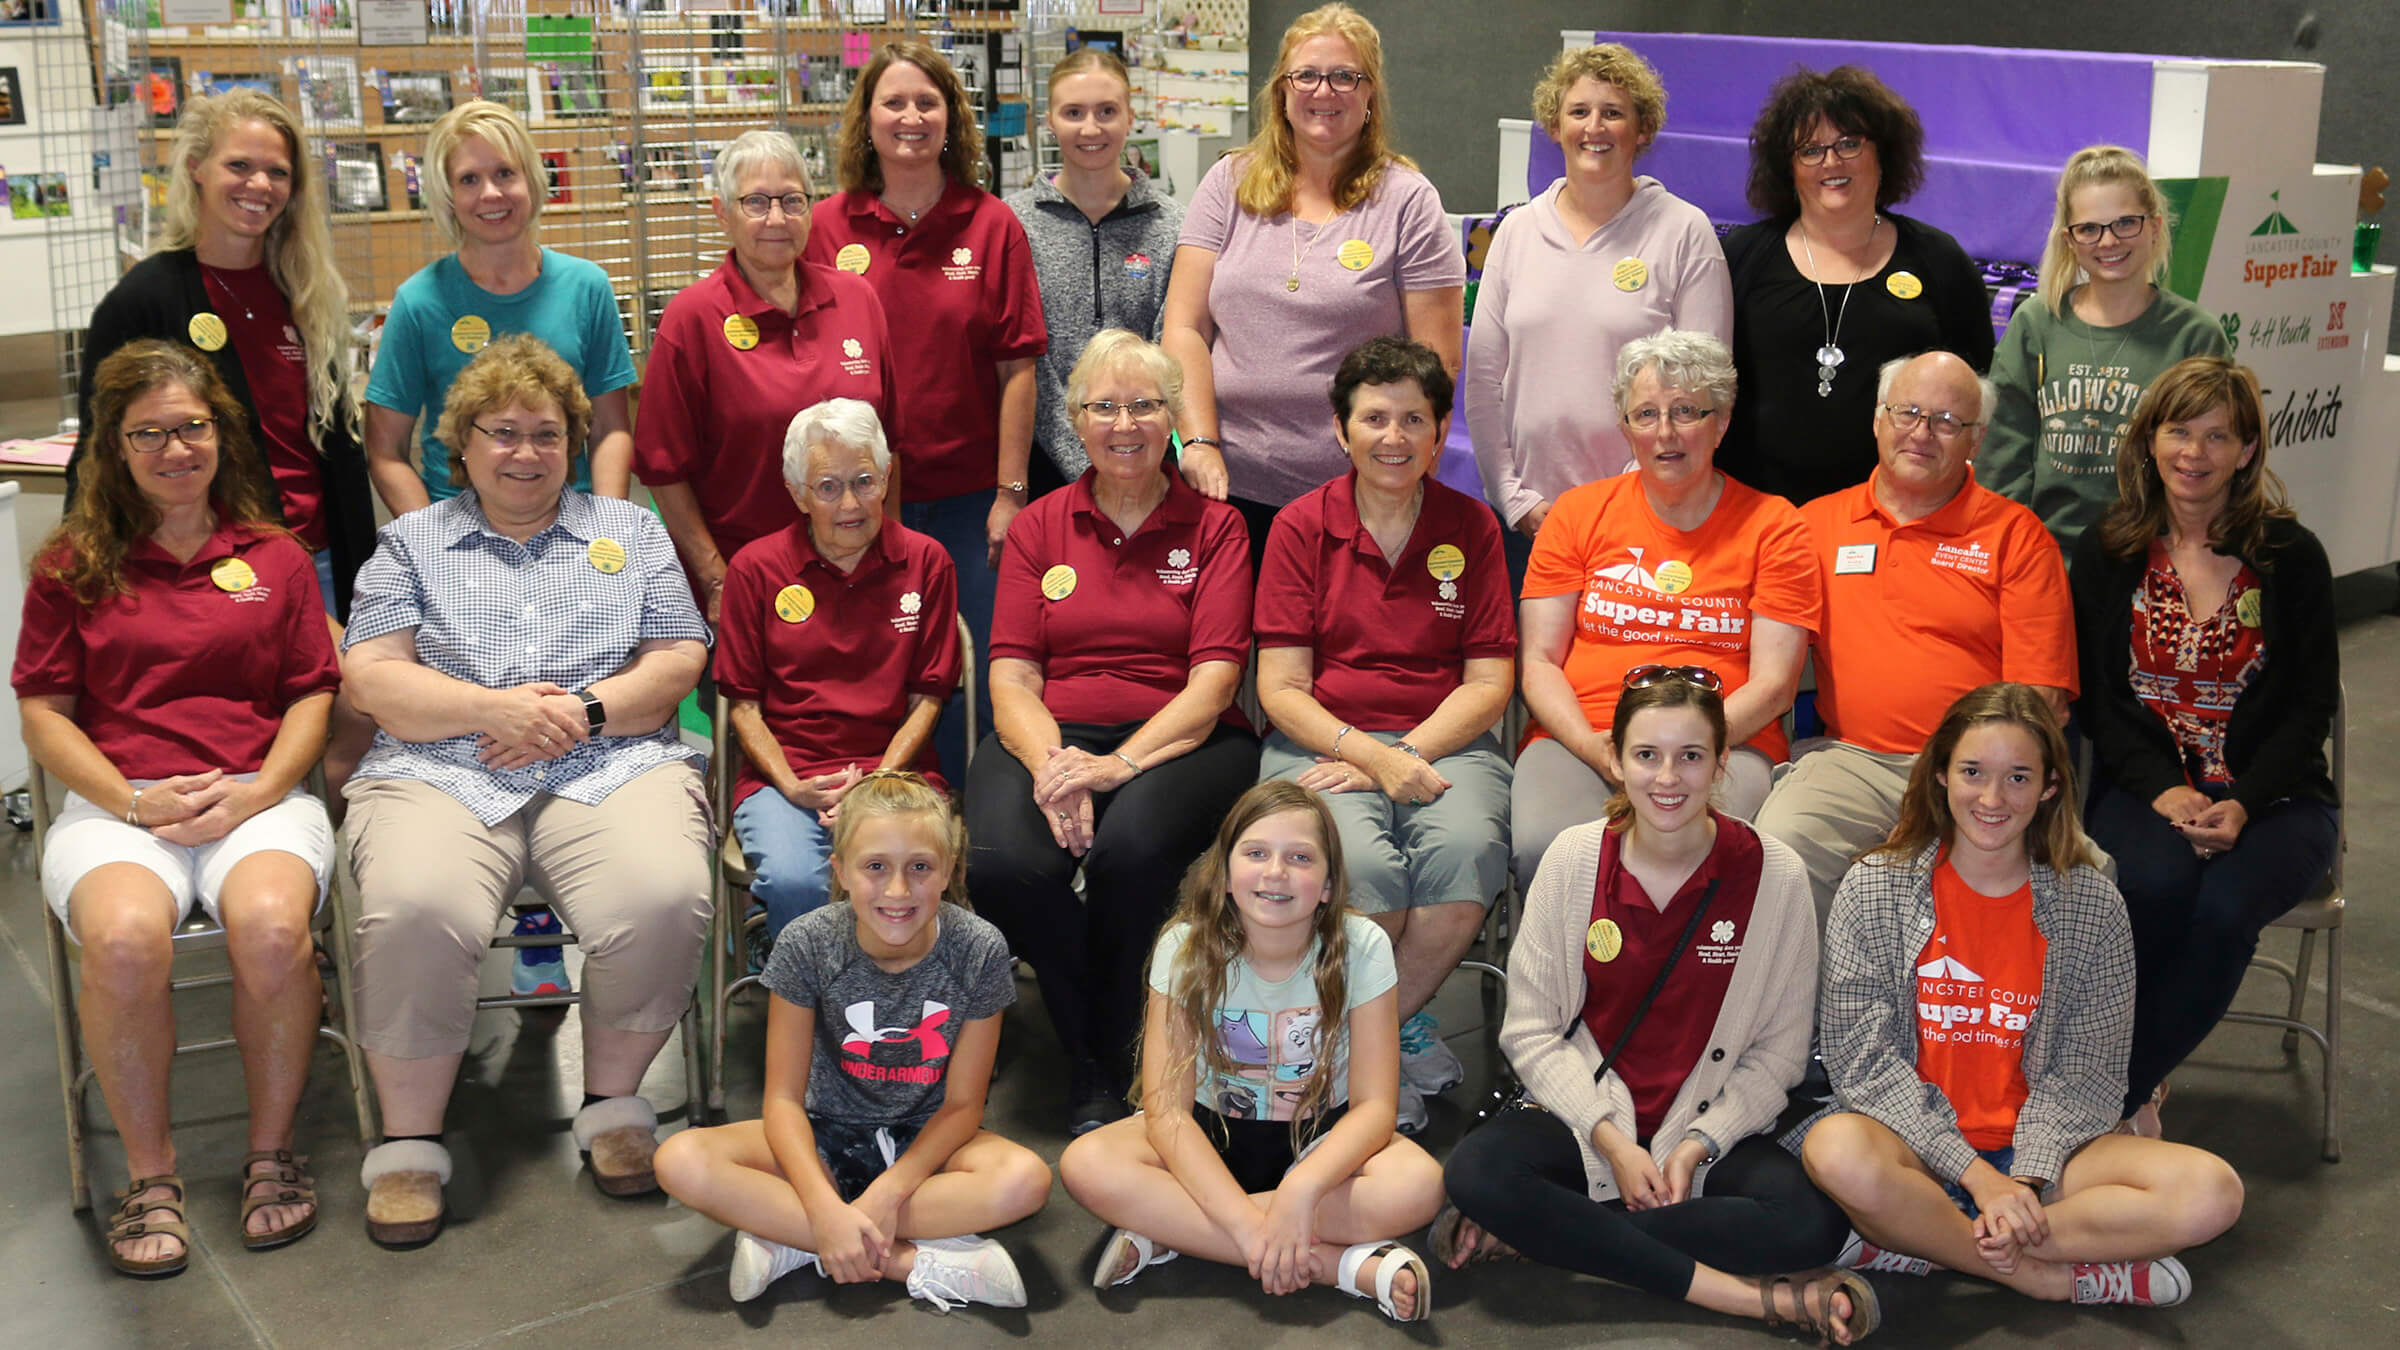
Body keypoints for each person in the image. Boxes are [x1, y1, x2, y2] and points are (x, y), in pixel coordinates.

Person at [340, 336, 713, 1245]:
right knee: (411, 907)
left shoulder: (631, 533)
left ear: (575, 444)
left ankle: (614, 1103)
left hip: (609, 762)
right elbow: (372, 677)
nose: (525, 452)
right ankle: (409, 1144)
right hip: (444, 769)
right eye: (501, 431)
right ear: (459, 445)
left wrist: (584, 712)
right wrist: (489, 709)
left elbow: (678, 657)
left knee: (665, 895)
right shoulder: (410, 544)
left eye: (548, 433)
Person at [16, 340, 340, 1276]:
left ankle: (273, 1155)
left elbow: (312, 690)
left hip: (257, 793)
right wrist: (133, 801)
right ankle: (151, 1177)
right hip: (120, 803)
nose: (174, 449)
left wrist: (266, 789)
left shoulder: (274, 557)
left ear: (219, 434)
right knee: (122, 942)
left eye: (190, 427)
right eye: (148, 433)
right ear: (114, 448)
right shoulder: (75, 564)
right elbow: (43, 710)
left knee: (275, 930)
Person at [1438, 675, 1868, 1343]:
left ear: (1723, 762)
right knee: (1474, 1171)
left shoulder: (1774, 875)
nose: (1668, 777)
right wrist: (1609, 1138)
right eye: (1647, 755)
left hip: (1706, 1122)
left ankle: (1554, 1228)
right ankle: (1745, 1299)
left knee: (1813, 1220)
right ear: (1616, 759)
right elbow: (1530, 1032)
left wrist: (1696, 1147)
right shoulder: (1575, 860)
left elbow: (1780, 1055)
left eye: (1692, 756)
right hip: (1587, 1118)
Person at [1797, 684, 2243, 1313]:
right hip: (1913, 1149)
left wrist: (2022, 1180)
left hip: (2045, 1154)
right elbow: (1861, 1064)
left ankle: (1929, 1243)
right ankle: (2045, 1274)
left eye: (2018, 777)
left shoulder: (2092, 905)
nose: (1992, 798)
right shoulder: (1874, 887)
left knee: (2212, 1192)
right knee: (1835, 1151)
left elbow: (2090, 1075)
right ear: (1942, 775)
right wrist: (1977, 1177)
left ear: (2050, 788)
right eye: (1973, 772)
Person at [967, 330, 1258, 1136]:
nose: (1124, 423)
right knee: (999, 864)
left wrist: (1115, 767)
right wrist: (1056, 765)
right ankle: (1100, 1030)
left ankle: (1107, 1058)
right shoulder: (1039, 527)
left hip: (1184, 739)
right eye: (1104, 406)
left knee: (1131, 853)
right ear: (1074, 420)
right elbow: (1012, 678)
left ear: (1172, 417)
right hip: (1054, 736)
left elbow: (1215, 684)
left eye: (1144, 405)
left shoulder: (1217, 528)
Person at [654, 772, 1050, 1312]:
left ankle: (795, 1240)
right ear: (839, 871)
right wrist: (821, 1206)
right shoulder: (806, 942)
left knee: (1024, 1181)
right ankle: (912, 1262)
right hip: (824, 1135)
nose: (897, 891)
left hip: (928, 1144)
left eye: (920, 868)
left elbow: (963, 1105)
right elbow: (784, 1099)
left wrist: (889, 1192)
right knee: (681, 1159)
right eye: (875, 868)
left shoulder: (978, 947)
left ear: (948, 872)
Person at [2069, 357, 2339, 1136]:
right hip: (2148, 789)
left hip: (2279, 800)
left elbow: (2309, 706)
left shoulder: (2292, 556)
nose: (2195, 452)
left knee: (2222, 912)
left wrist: (2246, 802)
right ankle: (2127, 1091)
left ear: (2249, 450)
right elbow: (2102, 702)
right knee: (2147, 887)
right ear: (2150, 439)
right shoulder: (2111, 548)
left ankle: (2110, 1097)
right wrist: (2164, 789)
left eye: (2218, 435)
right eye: (2179, 430)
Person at [1059, 781, 1445, 1323]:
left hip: (1321, 1142)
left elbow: (1376, 1108)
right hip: (1209, 1138)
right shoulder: (1185, 945)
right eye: (1257, 852)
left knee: (1420, 1186)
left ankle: (1174, 1231)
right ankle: (1338, 1265)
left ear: (1329, 884)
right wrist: (1250, 1225)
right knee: (1086, 1164)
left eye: (1301, 858)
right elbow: (1167, 1110)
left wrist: (1302, 1189)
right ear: (1225, 870)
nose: (1275, 872)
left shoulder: (1363, 946)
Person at [1254, 336, 1513, 1134]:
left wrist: (1404, 757)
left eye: (1414, 419)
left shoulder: (1471, 527)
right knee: (1363, 869)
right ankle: (1383, 1049)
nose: (1393, 437)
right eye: (1374, 418)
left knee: (1467, 853)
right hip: (1323, 745)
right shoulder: (1301, 528)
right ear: (1341, 430)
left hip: (1445, 743)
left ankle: (1364, 1045)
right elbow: (1280, 689)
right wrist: (1367, 755)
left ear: (1440, 435)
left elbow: (1491, 683)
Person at [1753, 351, 2076, 918]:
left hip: (1978, 769)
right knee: (1781, 851)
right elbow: (1762, 658)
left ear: (1977, 441)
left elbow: (2039, 701)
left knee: (2081, 884)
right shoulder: (1813, 526)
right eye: (1908, 413)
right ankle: (1823, 1007)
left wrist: (1966, 778)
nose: (1922, 434)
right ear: (1878, 420)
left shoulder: (2018, 537)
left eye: (1948, 422)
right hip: (1853, 760)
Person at [803, 40, 1047, 783]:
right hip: (863, 501)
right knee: (876, 664)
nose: (911, 117)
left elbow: (1019, 369)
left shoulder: (991, 223)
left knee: (974, 671)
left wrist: (1010, 494)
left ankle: (971, 831)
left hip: (973, 501)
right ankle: (873, 824)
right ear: (867, 119)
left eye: (927, 102)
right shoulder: (826, 225)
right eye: (894, 102)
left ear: (951, 118)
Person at [1160, 2, 1466, 554]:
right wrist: (1199, 443)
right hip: (1229, 486)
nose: (1324, 92)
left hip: (1358, 496)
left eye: (1346, 76)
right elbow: (1184, 328)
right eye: (1306, 75)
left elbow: (1436, 362)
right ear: (1282, 89)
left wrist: (1402, 481)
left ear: (1371, 94)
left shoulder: (1408, 201)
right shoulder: (1227, 183)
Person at [1515, 330, 1819, 884]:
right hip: (1588, 735)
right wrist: (1592, 743)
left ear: (1721, 421)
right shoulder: (1576, 514)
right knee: (1549, 848)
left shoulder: (1776, 526)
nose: (1665, 433)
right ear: (1625, 427)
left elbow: (1775, 685)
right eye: (1646, 414)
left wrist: (1682, 749)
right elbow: (1538, 661)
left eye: (1686, 412)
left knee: (1705, 859)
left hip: (1725, 740)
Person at [71, 89, 374, 621]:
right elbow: (97, 456)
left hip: (321, 561)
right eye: (239, 165)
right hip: (205, 572)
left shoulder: (307, 292)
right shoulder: (144, 301)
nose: (259, 185)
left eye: (277, 172)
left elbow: (334, 443)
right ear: (196, 170)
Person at [1465, 41, 1732, 583]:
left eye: (1614, 113)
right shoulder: (1516, 231)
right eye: (1579, 112)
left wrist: (1626, 498)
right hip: (1528, 521)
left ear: (1643, 130)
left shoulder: (1684, 231)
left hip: (1645, 516)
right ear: (1555, 125)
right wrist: (1510, 497)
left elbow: (1704, 388)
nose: (1595, 127)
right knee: (1532, 668)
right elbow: (1484, 380)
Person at [717, 399, 960, 944]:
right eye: (828, 487)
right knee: (797, 881)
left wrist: (877, 782)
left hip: (898, 776)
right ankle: (820, 1018)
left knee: (901, 878)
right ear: (799, 494)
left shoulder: (927, 562)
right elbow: (744, 707)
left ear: (887, 476)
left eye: (864, 481)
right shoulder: (755, 570)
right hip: (787, 780)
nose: (850, 503)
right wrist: (792, 786)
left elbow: (929, 698)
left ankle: (899, 1015)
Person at [637, 128, 897, 618]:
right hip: (748, 584)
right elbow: (663, 471)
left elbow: (889, 446)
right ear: (722, 213)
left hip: (859, 573)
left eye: (792, 200)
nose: (776, 218)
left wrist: (892, 557)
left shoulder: (858, 299)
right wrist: (716, 576)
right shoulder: (691, 319)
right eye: (755, 202)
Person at [1718, 66, 1994, 505]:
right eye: (1810, 150)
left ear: (1883, 154)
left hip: (1895, 518)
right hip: (1755, 514)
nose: (1831, 162)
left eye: (1849, 144)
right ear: (1787, 167)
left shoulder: (1940, 262)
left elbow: (1970, 393)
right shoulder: (1744, 257)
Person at [363, 100, 637, 513]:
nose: (490, 193)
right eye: (469, 179)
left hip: (573, 523)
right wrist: (429, 545)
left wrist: (607, 529)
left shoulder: (587, 287)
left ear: (531, 178)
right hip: (457, 527)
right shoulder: (418, 301)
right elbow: (385, 451)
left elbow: (612, 429)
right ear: (448, 195)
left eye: (505, 173)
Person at [1982, 147, 2230, 560]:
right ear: (2070, 240)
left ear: (2154, 227)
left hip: (2151, 561)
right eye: (2090, 229)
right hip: (2044, 558)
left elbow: (2211, 463)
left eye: (2125, 223)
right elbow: (2003, 456)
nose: (2109, 241)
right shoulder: (2036, 323)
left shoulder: (2194, 335)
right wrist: (2023, 556)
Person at [1006, 48, 1184, 497]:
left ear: (1130, 117)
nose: (1090, 128)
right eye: (1073, 112)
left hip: (1144, 455)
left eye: (1107, 111)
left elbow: (1176, 350)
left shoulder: (1174, 225)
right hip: (1041, 461)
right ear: (1049, 120)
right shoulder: (1012, 223)